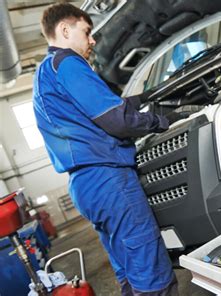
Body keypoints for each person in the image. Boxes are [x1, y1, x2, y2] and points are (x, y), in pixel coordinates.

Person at [33, 3, 180, 295]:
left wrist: (145, 98)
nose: (92, 40)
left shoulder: (45, 73)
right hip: (109, 180)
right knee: (149, 264)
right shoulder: (68, 63)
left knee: (126, 262)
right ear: (64, 29)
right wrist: (162, 120)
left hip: (85, 186)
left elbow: (102, 108)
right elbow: (117, 120)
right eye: (86, 32)